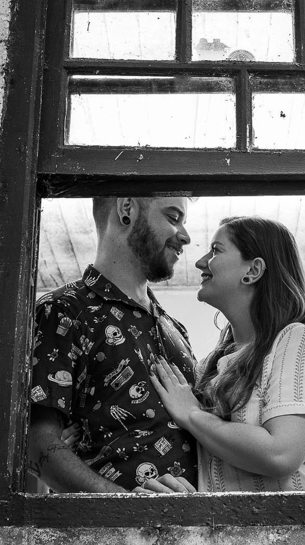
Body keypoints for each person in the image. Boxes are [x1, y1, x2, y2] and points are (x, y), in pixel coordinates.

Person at [145, 216, 305, 493]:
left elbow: (281, 454)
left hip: (293, 520)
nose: (201, 262)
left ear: (253, 270)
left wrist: (192, 414)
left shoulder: (297, 339)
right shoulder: (209, 366)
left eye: (216, 250)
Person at [26, 196, 199, 492]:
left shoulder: (175, 328)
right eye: (173, 218)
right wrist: (127, 507)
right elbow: (35, 442)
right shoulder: (62, 310)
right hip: (109, 522)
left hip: (201, 518)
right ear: (127, 209)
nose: (185, 236)